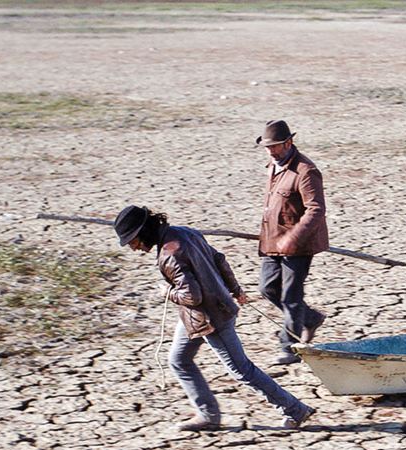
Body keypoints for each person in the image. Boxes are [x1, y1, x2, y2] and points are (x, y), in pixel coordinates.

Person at [113, 205, 316, 431]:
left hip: (211, 319)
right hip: (200, 315)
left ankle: (294, 409)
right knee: (178, 360)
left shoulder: (169, 256)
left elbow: (192, 295)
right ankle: (208, 415)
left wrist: (167, 292)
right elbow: (219, 260)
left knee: (241, 370)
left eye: (132, 241)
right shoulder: (185, 232)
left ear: (144, 232)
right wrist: (235, 289)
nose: (133, 247)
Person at [256, 120, 329, 365]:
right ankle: (310, 318)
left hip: (299, 245)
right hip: (271, 240)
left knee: (291, 296)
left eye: (275, 146)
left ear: (289, 142)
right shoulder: (272, 166)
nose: (271, 151)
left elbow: (316, 209)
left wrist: (293, 237)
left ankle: (290, 346)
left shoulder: (306, 171)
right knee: (268, 288)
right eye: (267, 147)